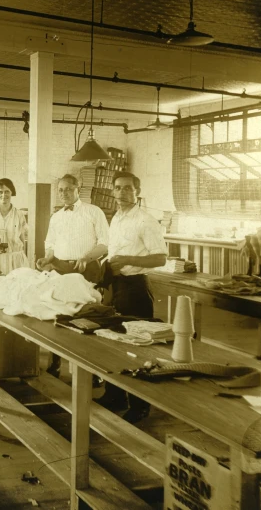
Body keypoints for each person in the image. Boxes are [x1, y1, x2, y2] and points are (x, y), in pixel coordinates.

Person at [97, 171, 167, 424]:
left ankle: (140, 405)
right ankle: (115, 395)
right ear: (112, 191)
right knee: (112, 341)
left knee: (137, 348)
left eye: (128, 188)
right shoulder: (116, 218)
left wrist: (127, 260)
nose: (122, 192)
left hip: (136, 289)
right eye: (118, 188)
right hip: (116, 287)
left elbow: (160, 258)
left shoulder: (146, 220)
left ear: (137, 192)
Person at [36, 174, 109, 378]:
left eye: (68, 189)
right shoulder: (56, 216)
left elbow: (105, 243)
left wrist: (86, 257)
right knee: (58, 314)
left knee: (86, 317)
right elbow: (50, 244)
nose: (64, 193)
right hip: (60, 268)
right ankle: (55, 361)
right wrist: (46, 258)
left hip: (87, 269)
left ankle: (92, 371)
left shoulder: (94, 212)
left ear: (78, 188)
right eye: (60, 190)